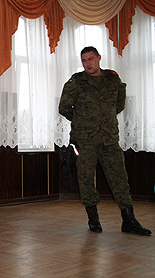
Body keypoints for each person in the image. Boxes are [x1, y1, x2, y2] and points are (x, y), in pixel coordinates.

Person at [58, 46, 151, 236]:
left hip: (109, 139)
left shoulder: (113, 79)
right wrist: (84, 121)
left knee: (120, 178)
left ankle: (129, 220)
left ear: (99, 58)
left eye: (91, 59)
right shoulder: (76, 82)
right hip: (85, 141)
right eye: (84, 60)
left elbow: (119, 103)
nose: (88, 64)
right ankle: (93, 219)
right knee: (85, 179)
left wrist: (104, 118)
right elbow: (64, 107)